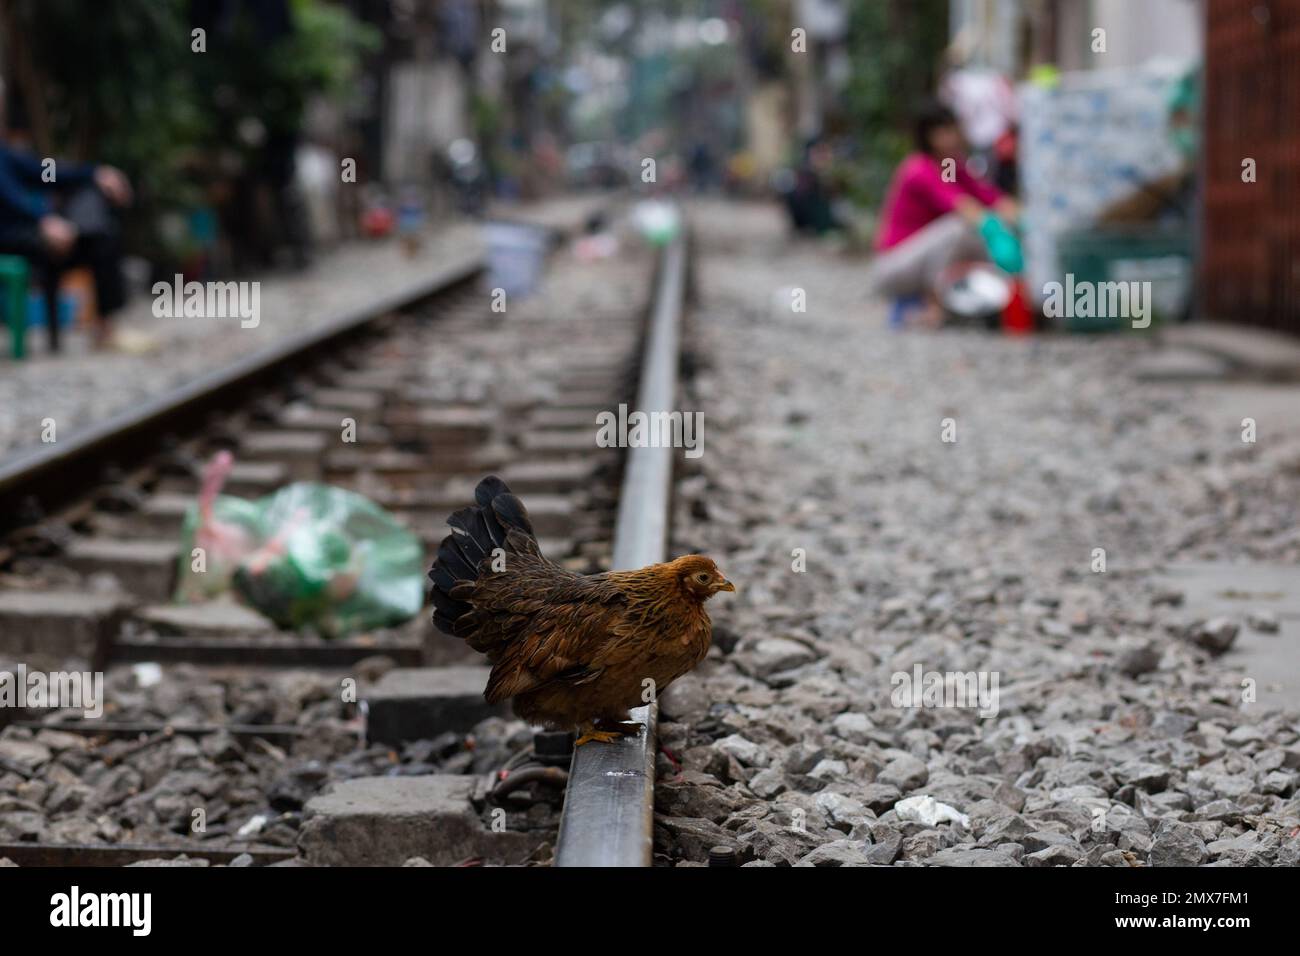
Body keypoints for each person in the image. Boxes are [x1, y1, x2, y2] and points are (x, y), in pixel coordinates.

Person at [872, 101, 1019, 306]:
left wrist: (1023, 220)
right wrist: (994, 227)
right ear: (929, 136)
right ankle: (935, 304)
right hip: (895, 264)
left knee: (980, 236)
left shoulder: (950, 165)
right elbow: (962, 206)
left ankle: (1008, 298)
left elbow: (988, 196)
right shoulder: (919, 168)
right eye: (946, 131)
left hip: (922, 257)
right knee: (959, 228)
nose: (954, 136)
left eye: (954, 129)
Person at [0, 134, 132, 351]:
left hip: (33, 237)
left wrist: (95, 173)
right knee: (56, 241)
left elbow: (44, 173)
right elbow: (8, 195)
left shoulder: (5, 155)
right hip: (10, 237)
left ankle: (104, 327)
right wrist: (43, 220)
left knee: (102, 239)